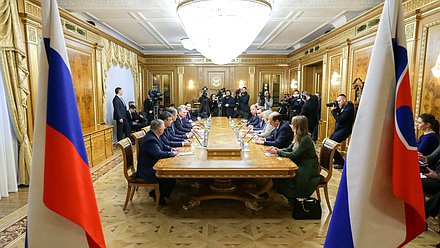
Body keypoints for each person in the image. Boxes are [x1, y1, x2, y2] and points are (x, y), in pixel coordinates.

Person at [254, 115, 320, 202]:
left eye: (293, 124)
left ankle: (262, 193)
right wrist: (278, 149)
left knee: (279, 174)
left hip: (306, 168)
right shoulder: (299, 137)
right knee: (277, 174)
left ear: (298, 126)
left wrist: (277, 152)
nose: (291, 126)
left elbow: (294, 154)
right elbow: (289, 149)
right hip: (299, 163)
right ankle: (264, 192)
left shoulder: (305, 140)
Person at [135, 119, 178, 206]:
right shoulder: (151, 139)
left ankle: (160, 194)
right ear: (160, 130)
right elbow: (158, 154)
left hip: (151, 165)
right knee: (170, 176)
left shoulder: (153, 135)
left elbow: (162, 145)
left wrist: (170, 149)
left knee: (171, 176)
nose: (164, 129)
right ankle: (156, 194)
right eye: (163, 127)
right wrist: (172, 154)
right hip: (147, 170)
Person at [329, 94, 355, 169]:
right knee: (330, 143)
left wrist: (333, 111)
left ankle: (341, 162)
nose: (338, 102)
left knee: (332, 144)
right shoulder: (345, 107)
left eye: (339, 101)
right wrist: (336, 109)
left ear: (344, 100)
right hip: (339, 130)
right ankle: (337, 160)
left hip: (344, 130)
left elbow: (340, 119)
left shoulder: (349, 108)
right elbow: (340, 115)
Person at [419, 145, 440, 219]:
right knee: (414, 181)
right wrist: (423, 158)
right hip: (434, 175)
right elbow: (433, 157)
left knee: (418, 183)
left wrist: (437, 176)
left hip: (437, 178)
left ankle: (422, 215)